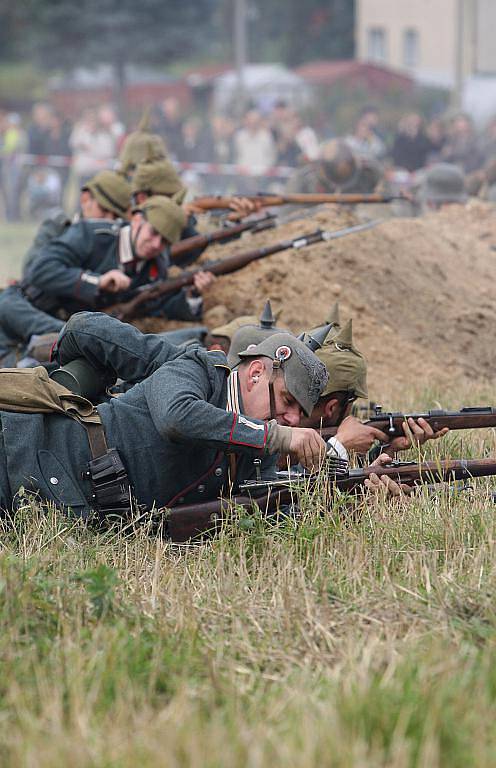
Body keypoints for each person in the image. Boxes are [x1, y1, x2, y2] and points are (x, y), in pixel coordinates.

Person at [0, 312, 329, 521]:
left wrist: (340, 492)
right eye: (287, 400)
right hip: (25, 452)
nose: (293, 420)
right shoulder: (196, 370)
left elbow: (270, 510)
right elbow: (178, 417)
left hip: (66, 506)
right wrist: (276, 437)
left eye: (301, 413)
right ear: (255, 373)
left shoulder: (253, 449)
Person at [0, 170, 132, 367]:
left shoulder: (115, 244)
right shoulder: (59, 227)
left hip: (58, 325)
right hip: (28, 310)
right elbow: (35, 271)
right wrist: (95, 281)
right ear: (86, 199)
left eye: (115, 216)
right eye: (104, 213)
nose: (108, 221)